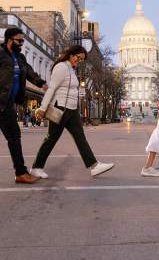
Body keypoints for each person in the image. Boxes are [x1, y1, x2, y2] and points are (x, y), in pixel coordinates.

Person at [31, 45, 115, 179]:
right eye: (78, 58)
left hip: (71, 108)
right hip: (61, 107)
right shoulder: (61, 67)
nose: (79, 61)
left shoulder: (71, 69)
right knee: (51, 138)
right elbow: (52, 88)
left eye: (82, 59)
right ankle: (36, 168)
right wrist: (42, 108)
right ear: (71, 54)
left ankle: (94, 165)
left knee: (80, 137)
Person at [0, 27, 47, 183]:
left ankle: (21, 172)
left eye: (23, 41)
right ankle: (20, 172)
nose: (21, 44)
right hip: (2, 103)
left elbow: (29, 73)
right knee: (14, 137)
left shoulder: (20, 58)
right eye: (19, 41)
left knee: (14, 137)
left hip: (8, 105)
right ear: (9, 40)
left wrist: (42, 84)